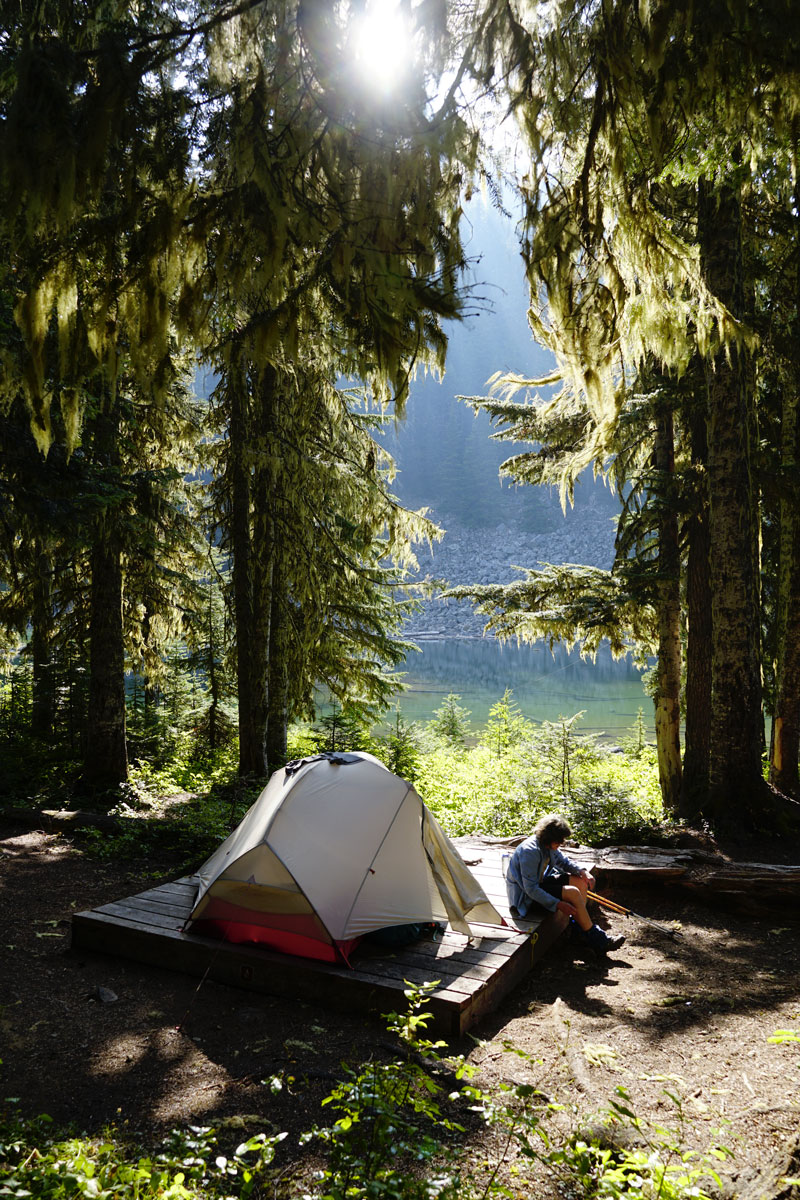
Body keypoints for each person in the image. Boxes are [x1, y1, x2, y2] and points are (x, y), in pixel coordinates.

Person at [505, 813, 625, 955]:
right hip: (526, 898)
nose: (561, 843)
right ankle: (599, 940)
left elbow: (563, 862)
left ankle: (579, 933)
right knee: (572, 892)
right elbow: (530, 889)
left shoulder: (548, 846)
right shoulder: (530, 851)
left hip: (540, 884)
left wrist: (582, 871)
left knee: (580, 881)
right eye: (559, 840)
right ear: (549, 837)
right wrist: (557, 903)